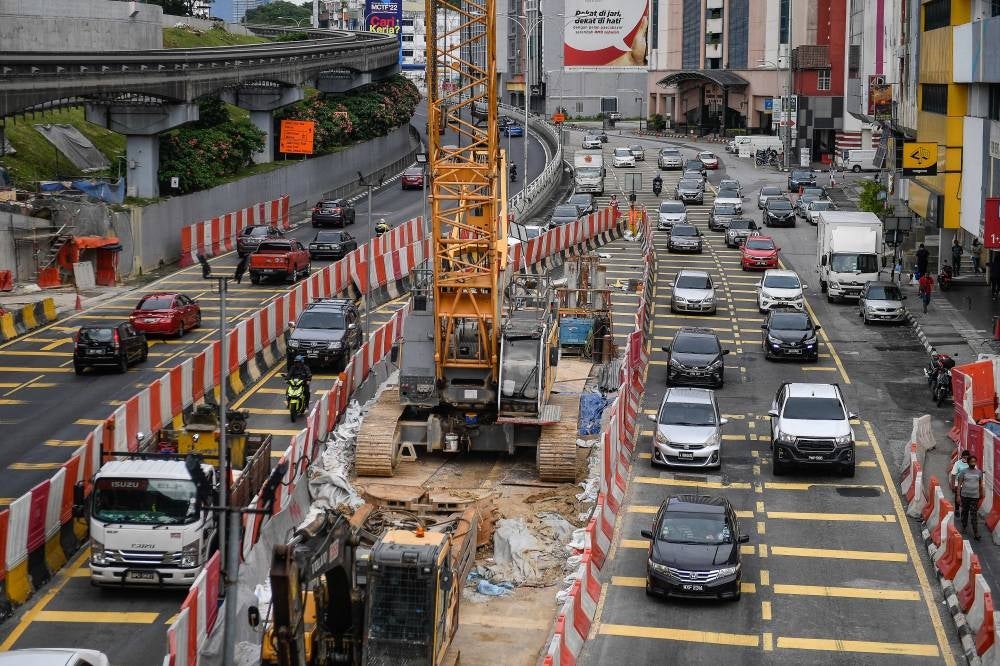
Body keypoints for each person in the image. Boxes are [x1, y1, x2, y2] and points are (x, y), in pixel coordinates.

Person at [957, 456, 984, 539]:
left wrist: (982, 493)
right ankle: (964, 526)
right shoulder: (963, 472)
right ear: (968, 463)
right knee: (964, 512)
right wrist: (958, 496)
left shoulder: (979, 472)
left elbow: (980, 484)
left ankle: (976, 532)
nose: (973, 463)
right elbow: (959, 485)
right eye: (971, 461)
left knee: (974, 514)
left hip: (975, 497)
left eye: (974, 461)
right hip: (965, 496)